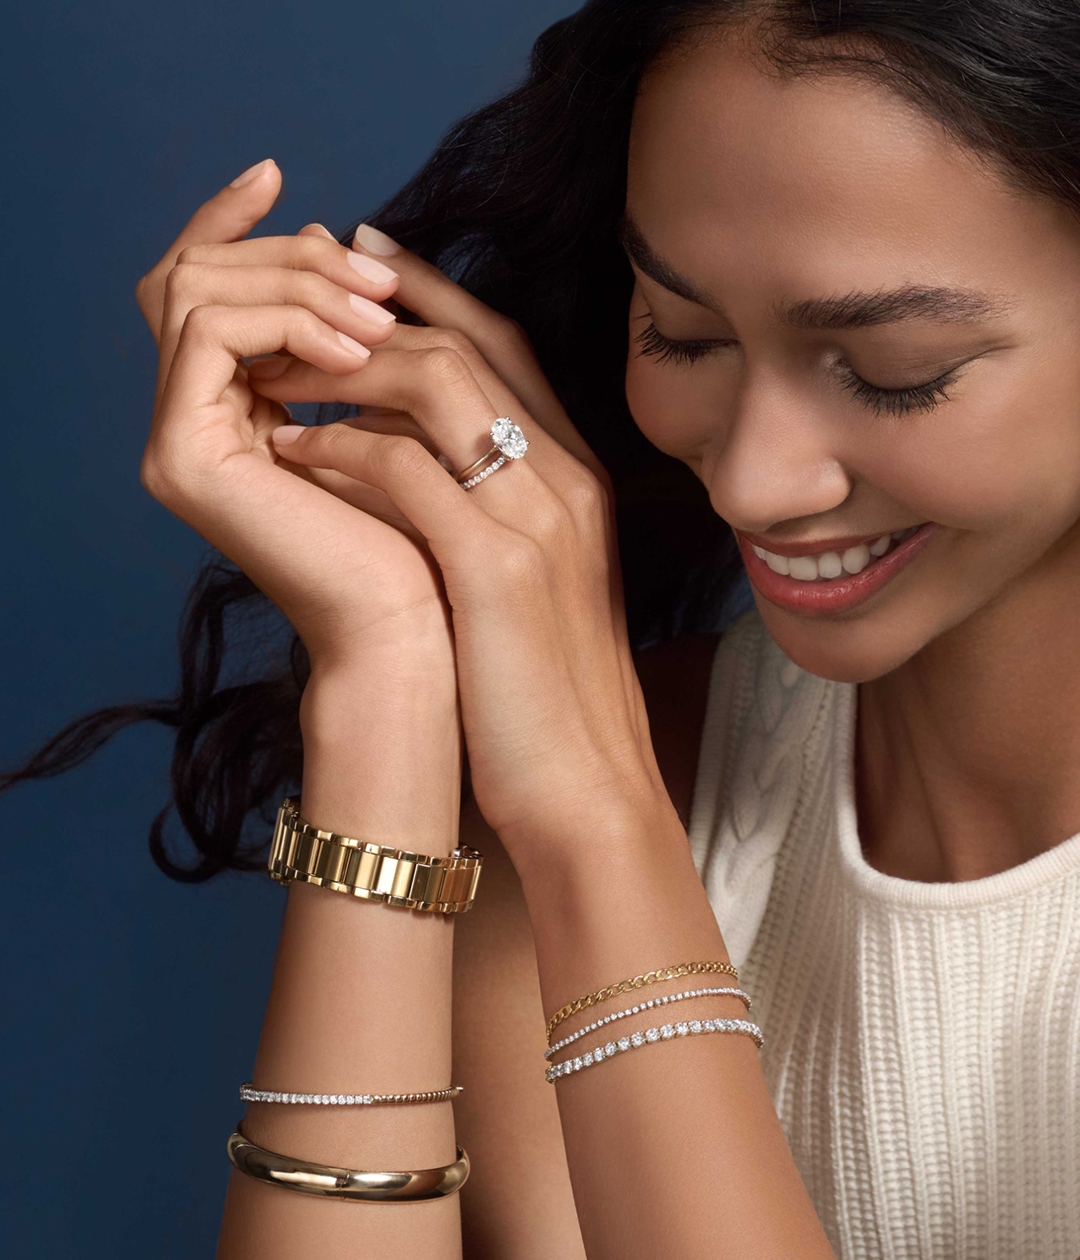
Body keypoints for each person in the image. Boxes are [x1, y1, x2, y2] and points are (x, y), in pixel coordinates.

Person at [8, 1, 1080, 1256]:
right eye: (681, 333)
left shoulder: (591, 787)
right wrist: (390, 681)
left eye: (895, 367)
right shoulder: (616, 774)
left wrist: (587, 803)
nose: (749, 482)